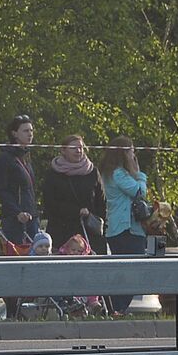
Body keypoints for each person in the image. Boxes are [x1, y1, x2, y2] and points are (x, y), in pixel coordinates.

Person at [99, 136, 148, 316]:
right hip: (126, 228)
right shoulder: (118, 173)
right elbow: (138, 191)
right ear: (124, 152)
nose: (134, 154)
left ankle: (118, 308)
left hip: (116, 228)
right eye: (131, 150)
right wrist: (140, 174)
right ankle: (119, 308)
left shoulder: (108, 172)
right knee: (131, 271)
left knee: (123, 271)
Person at [42, 135, 107, 254]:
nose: (78, 151)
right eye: (74, 148)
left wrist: (95, 220)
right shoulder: (53, 173)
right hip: (61, 233)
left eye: (81, 147)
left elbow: (101, 203)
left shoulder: (92, 172)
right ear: (63, 150)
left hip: (89, 234)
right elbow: (49, 203)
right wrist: (76, 211)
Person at [0, 114, 39, 245]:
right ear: (14, 134)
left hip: (31, 216)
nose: (30, 134)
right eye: (25, 131)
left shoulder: (26, 156)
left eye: (31, 130)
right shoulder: (6, 158)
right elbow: (1, 190)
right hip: (15, 219)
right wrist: (17, 212)